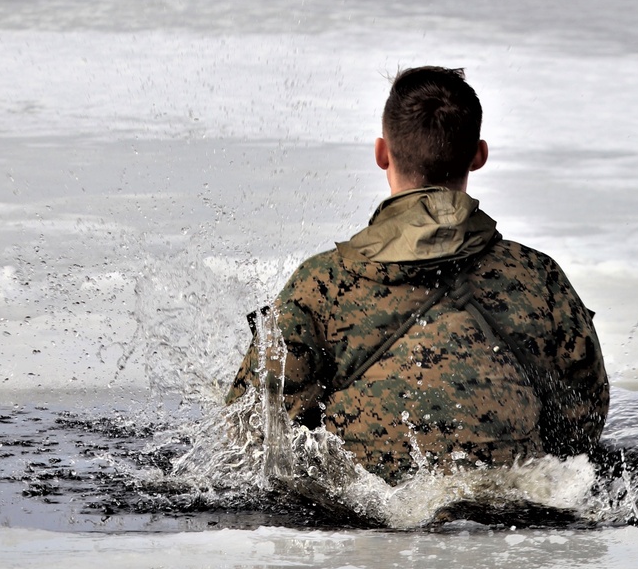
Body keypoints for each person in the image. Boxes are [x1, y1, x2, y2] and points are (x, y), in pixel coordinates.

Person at [227, 66, 609, 484]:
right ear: (478, 155)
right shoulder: (538, 277)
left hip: (366, 523)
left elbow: (251, 432)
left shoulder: (321, 283)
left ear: (382, 153)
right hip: (517, 510)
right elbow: (580, 425)